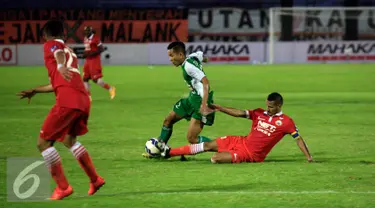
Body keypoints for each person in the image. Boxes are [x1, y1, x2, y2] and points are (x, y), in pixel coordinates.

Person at [16, 20, 105, 200]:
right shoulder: (69, 50)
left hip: (67, 101)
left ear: (44, 36)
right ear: (64, 35)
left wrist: (59, 65)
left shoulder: (52, 45)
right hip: (82, 100)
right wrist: (36, 90)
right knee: (69, 140)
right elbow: (60, 81)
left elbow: (57, 55)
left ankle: (63, 187)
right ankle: (95, 179)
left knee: (43, 143)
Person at [160, 92, 313, 163]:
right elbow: (239, 113)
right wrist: (220, 108)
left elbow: (298, 139)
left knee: (215, 158)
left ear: (279, 106)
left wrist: (308, 157)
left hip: (251, 155)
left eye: (271, 107)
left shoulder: (286, 122)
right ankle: (168, 153)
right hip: (240, 141)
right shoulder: (260, 113)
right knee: (206, 145)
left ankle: (228, 154)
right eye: (267, 105)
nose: (268, 108)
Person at [143, 41, 215, 158]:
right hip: (191, 99)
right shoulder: (193, 56)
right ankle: (160, 149)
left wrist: (203, 105)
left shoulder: (188, 66)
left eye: (172, 56)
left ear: (180, 55)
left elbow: (206, 82)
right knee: (168, 120)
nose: (170, 59)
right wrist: (203, 62)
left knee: (192, 138)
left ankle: (221, 148)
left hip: (200, 101)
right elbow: (203, 57)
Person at [82, 26, 116, 100]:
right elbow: (87, 48)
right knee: (85, 78)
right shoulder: (85, 38)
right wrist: (85, 54)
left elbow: (101, 49)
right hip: (88, 61)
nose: (86, 32)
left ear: (91, 31)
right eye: (85, 31)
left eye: (88, 31)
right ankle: (88, 97)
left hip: (94, 61)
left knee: (96, 80)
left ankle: (110, 89)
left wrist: (92, 54)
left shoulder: (96, 38)